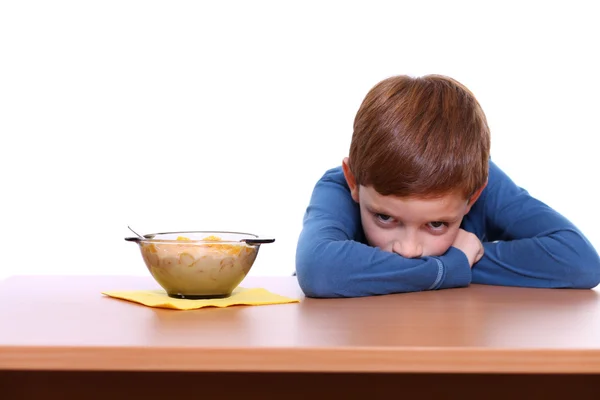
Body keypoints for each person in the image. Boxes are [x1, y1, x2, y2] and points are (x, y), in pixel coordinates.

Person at [294, 74, 600, 298]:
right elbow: (319, 270)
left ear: (474, 196)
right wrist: (451, 264)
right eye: (385, 218)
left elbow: (580, 262)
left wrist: (458, 265)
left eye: (437, 224)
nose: (409, 250)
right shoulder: (338, 185)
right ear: (353, 181)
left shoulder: (472, 180)